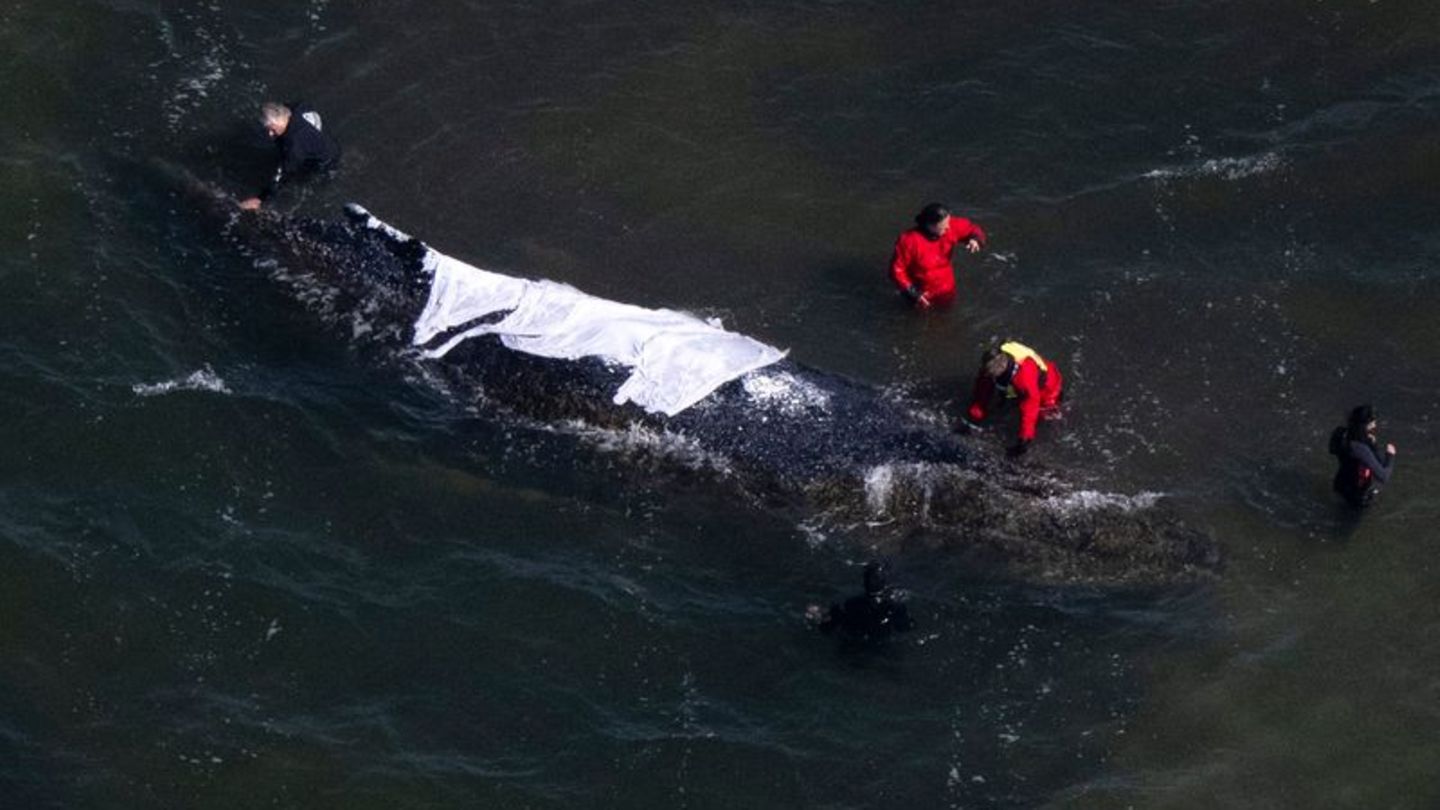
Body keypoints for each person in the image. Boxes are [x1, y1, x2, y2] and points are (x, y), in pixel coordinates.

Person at [957, 341, 1064, 457]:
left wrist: (1024, 440)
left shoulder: (1024, 378)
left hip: (1048, 387)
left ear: (1001, 367)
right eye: (986, 371)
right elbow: (982, 393)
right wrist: (972, 421)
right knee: (1008, 397)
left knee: (1045, 415)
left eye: (990, 373)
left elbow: (1030, 408)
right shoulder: (991, 368)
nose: (987, 375)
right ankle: (1009, 398)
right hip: (1012, 384)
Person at [238, 101, 341, 211]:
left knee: (304, 176)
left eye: (272, 129)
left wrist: (261, 199)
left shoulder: (294, 145)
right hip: (328, 142)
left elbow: (284, 174)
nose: (270, 134)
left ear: (280, 121)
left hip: (326, 159)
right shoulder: (298, 107)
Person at [888, 202, 987, 309]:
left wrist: (975, 239)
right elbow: (896, 270)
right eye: (944, 226)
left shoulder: (950, 226)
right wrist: (912, 293)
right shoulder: (908, 241)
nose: (948, 227)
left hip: (947, 288)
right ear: (931, 225)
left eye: (948, 222)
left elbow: (972, 229)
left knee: (948, 312)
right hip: (922, 293)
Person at [806, 560, 913, 644]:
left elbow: (827, 627)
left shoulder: (850, 604)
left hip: (853, 648)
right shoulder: (895, 607)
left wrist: (819, 617)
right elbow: (906, 628)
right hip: (879, 647)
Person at [1329, 404, 1397, 508]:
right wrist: (1390, 455)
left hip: (1339, 486)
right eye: (1372, 423)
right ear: (1365, 425)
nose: (1374, 426)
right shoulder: (1360, 448)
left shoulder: (1339, 432)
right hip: (1357, 495)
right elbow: (1383, 476)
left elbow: (1332, 450)